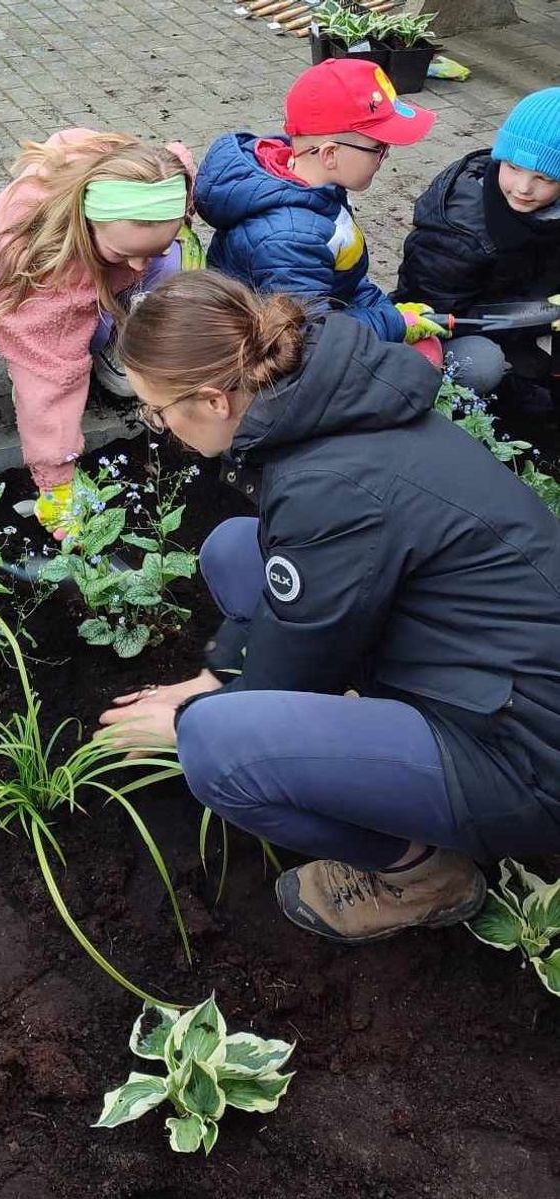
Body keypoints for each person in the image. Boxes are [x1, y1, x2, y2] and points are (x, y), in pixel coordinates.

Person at [97, 269, 560, 944]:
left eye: (157, 411)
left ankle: (422, 873)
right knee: (234, 549)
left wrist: (188, 716)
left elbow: (285, 675)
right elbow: (300, 592)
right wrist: (212, 675)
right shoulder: (334, 400)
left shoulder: (330, 488)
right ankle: (375, 737)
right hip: (492, 664)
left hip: (524, 750)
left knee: (218, 750)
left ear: (212, 401)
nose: (159, 426)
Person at [0, 129, 199, 539]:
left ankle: (116, 339)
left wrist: (147, 256)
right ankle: (71, 363)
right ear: (89, 221)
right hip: (35, 284)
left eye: (150, 249)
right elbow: (51, 374)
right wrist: (56, 481)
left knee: (170, 266)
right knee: (50, 371)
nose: (137, 267)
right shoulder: (40, 260)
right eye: (123, 254)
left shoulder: (154, 176)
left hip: (88, 259)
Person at [193, 59, 457, 378]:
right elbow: (310, 335)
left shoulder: (316, 188)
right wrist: (395, 325)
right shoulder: (289, 235)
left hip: (323, 318)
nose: (385, 156)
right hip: (269, 363)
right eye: (379, 147)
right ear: (330, 154)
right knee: (417, 371)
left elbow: (345, 277)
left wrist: (389, 314)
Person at [394, 87, 560, 411]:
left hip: (526, 318)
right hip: (456, 330)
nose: (523, 188)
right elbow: (430, 313)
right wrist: (539, 314)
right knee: (483, 364)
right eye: (512, 167)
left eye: (544, 177)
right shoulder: (459, 231)